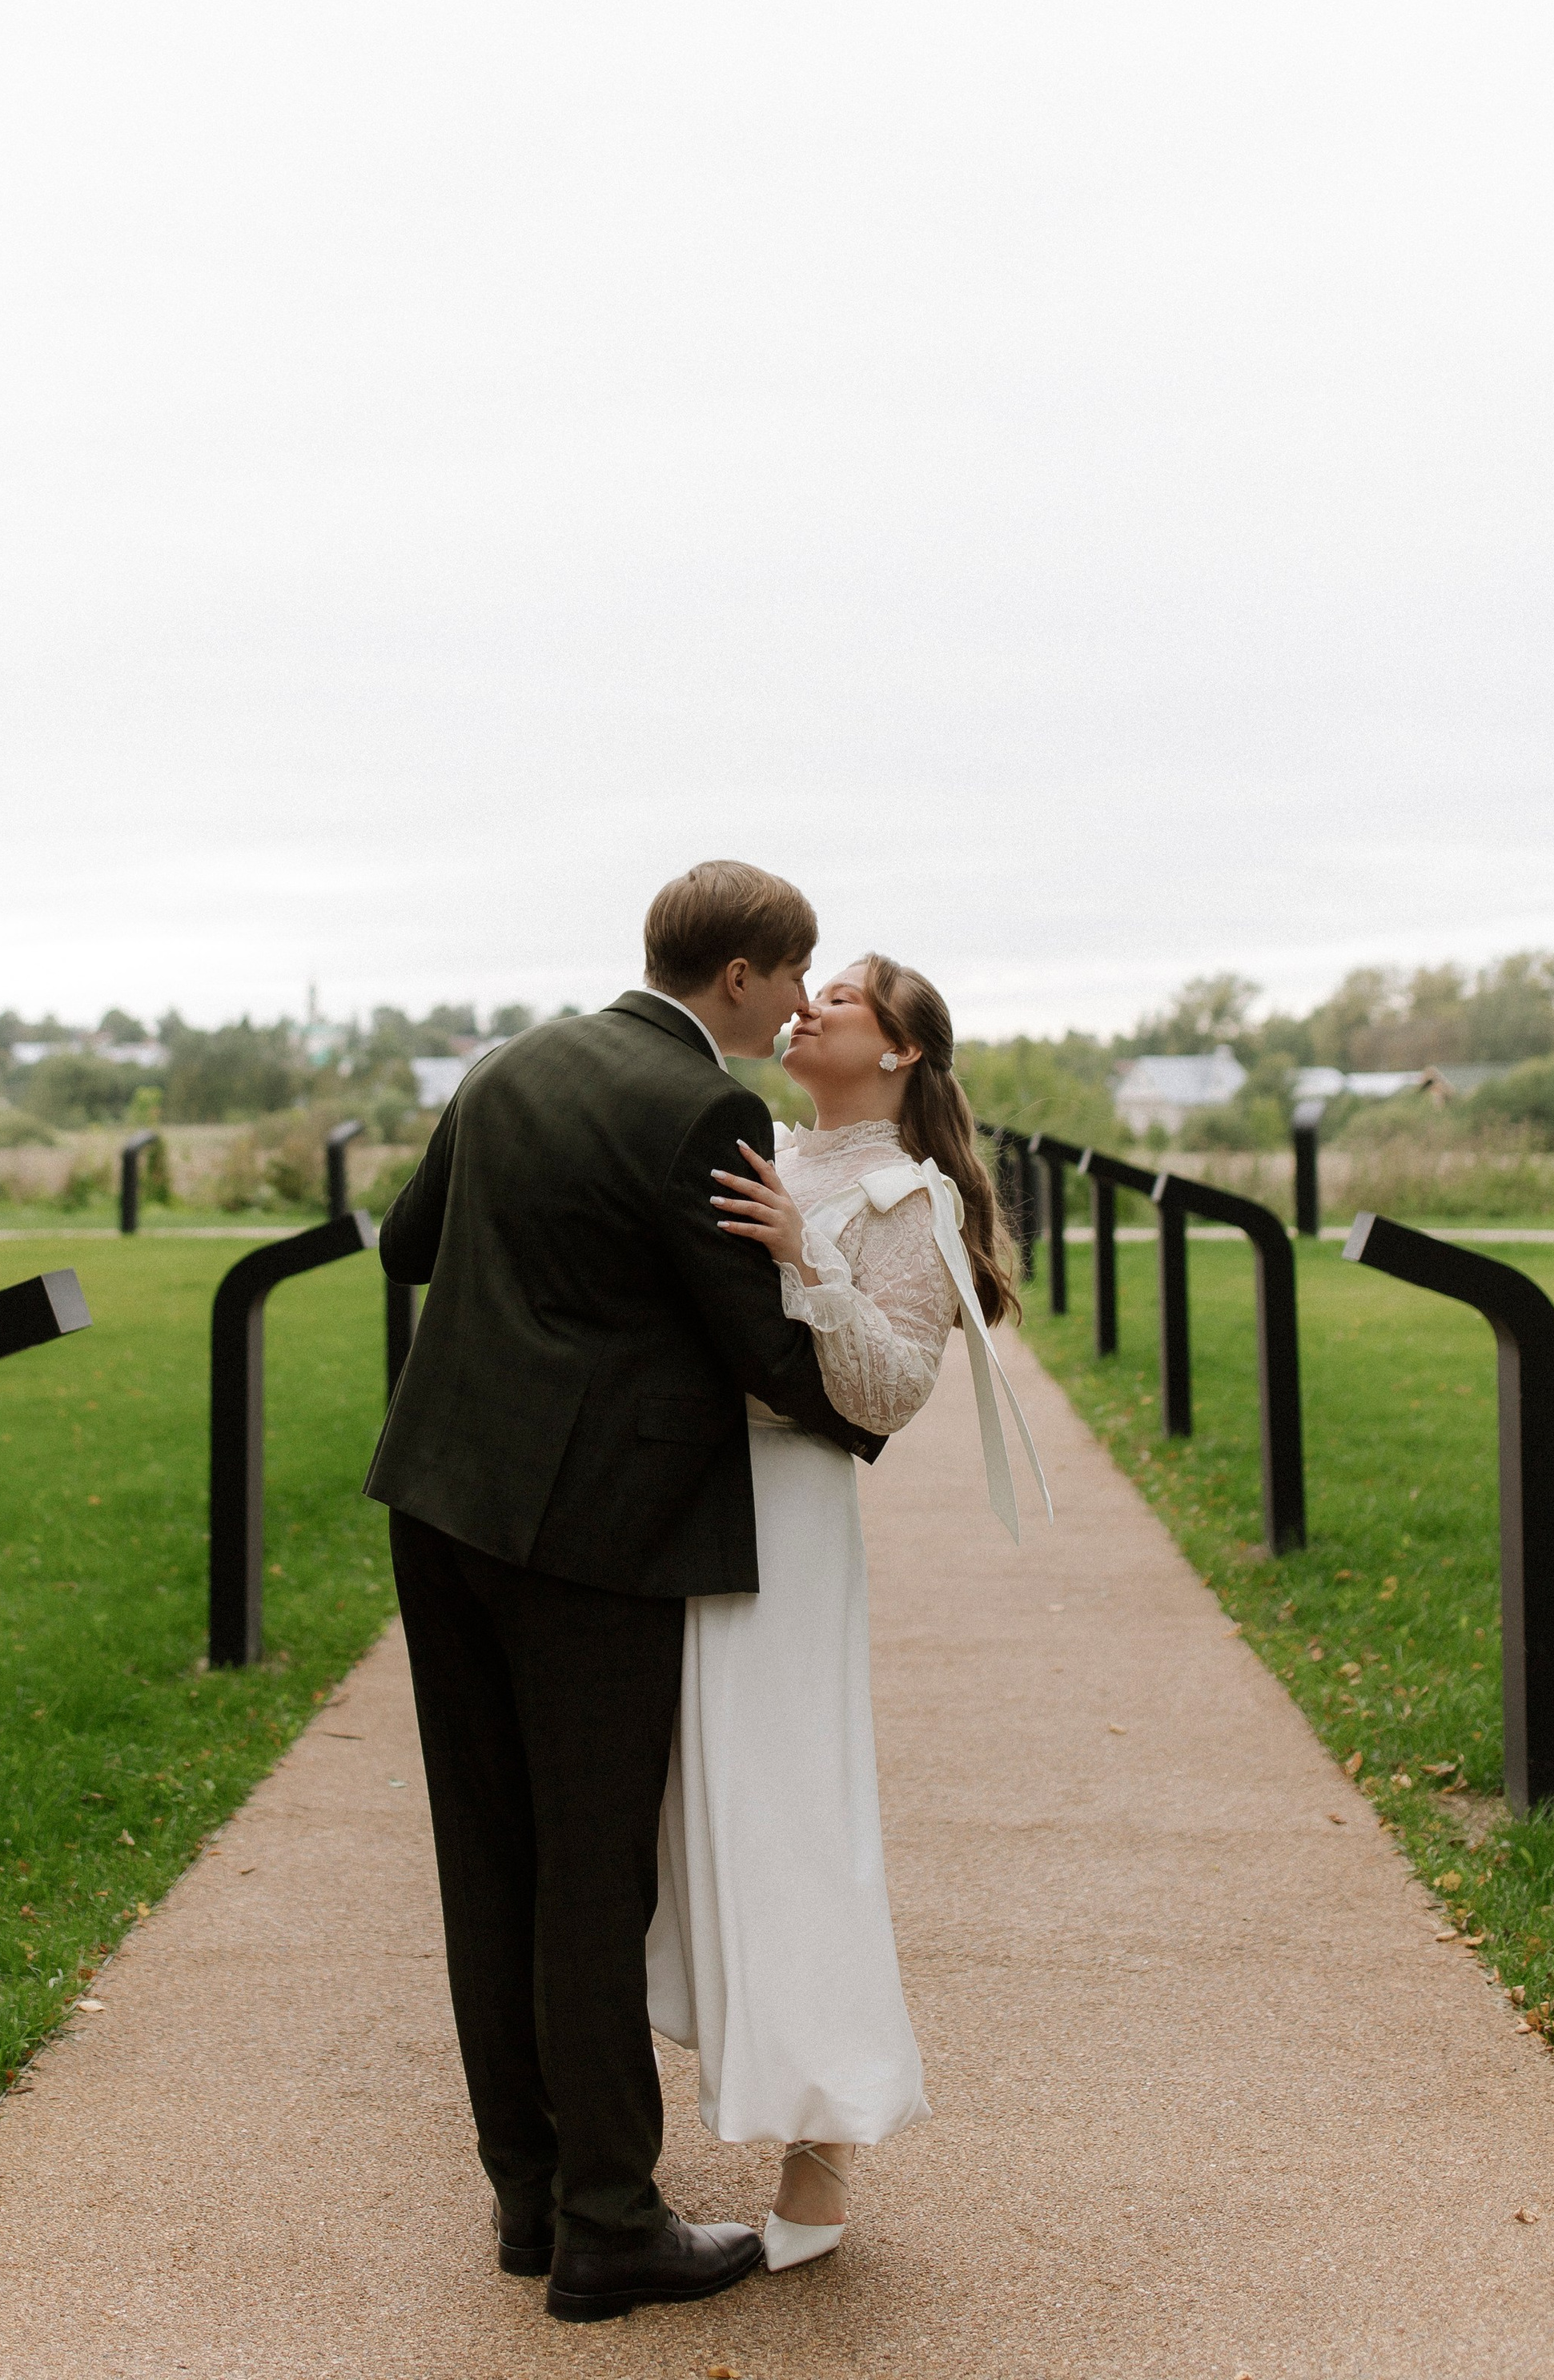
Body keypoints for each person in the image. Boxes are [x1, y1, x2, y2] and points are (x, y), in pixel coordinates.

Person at [367, 861, 884, 2326]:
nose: (795, 1004)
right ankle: (609, 2228)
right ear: (737, 976)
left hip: (442, 1501)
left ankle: (528, 2199)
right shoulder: (702, 1108)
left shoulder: (508, 1061)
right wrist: (865, 1406)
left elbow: (410, 1249)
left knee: (493, 1862)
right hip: (590, 1536)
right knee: (593, 1881)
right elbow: (751, 1340)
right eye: (792, 977)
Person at [651, 952, 1048, 2271]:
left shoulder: (909, 1198)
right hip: (680, 1503)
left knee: (789, 1818)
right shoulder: (744, 1138)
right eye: (804, 991)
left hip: (793, 1517)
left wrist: (804, 1255)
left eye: (843, 998)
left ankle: (825, 2150)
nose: (807, 1006)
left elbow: (889, 1392)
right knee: (680, 1810)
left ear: (899, 1054)